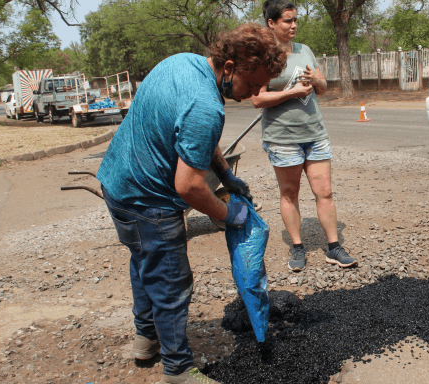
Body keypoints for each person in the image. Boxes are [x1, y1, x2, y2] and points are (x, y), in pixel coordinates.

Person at [96, 24, 287, 384]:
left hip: (116, 183)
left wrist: (225, 175)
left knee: (144, 262)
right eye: (251, 84)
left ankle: (145, 340)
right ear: (229, 67)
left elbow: (195, 137)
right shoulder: (207, 106)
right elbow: (188, 186)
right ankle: (178, 370)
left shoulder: (184, 63)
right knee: (171, 280)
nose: (252, 95)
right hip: (147, 198)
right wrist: (228, 214)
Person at [251, 0, 357, 272]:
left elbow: (321, 87)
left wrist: (316, 81)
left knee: (325, 192)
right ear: (271, 23)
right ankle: (298, 248)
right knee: (289, 193)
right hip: (282, 138)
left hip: (315, 133)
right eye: (287, 20)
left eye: (295, 19)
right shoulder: (264, 57)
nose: (294, 25)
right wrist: (291, 93)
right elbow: (257, 99)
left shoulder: (305, 51)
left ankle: (334, 247)